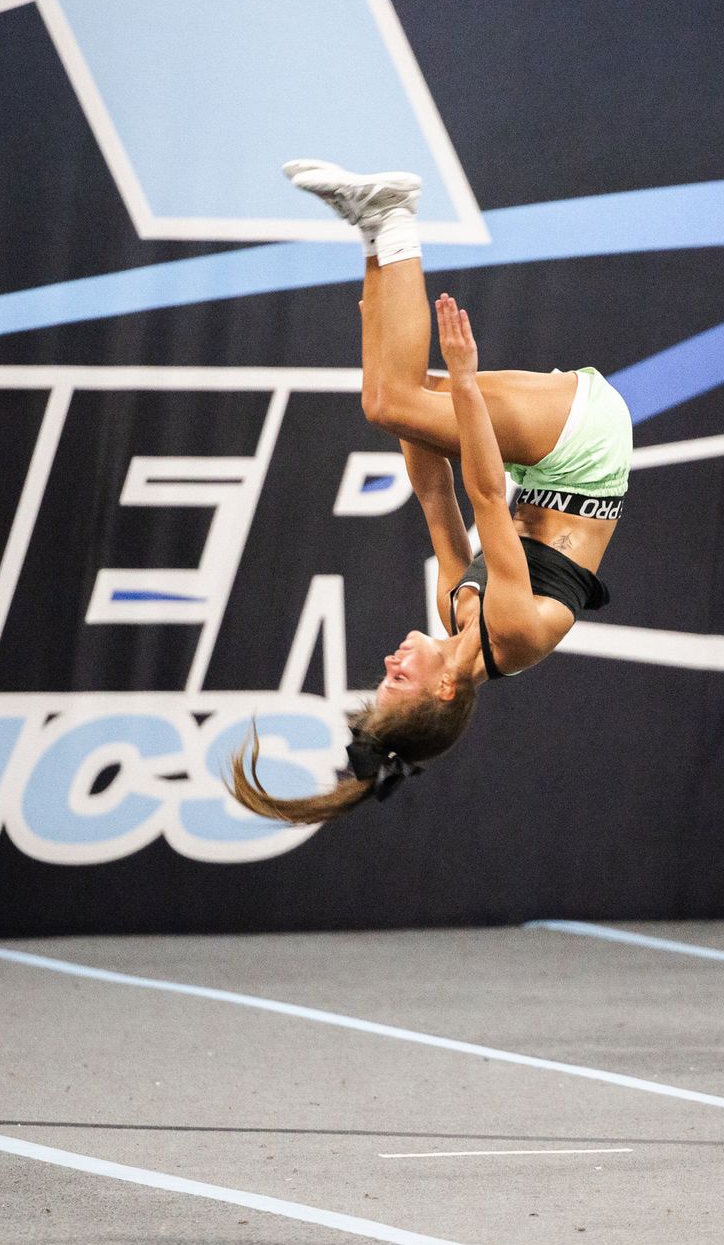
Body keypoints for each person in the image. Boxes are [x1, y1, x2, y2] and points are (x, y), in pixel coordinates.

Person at [225, 161, 631, 823]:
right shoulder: (513, 633)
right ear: (444, 688)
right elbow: (488, 498)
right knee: (395, 400)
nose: (390, 660)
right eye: (396, 679)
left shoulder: (456, 612)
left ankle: (374, 230)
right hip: (584, 450)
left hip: (547, 467)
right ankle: (394, 214)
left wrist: (378, 317)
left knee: (386, 394)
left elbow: (434, 492)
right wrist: (461, 385)